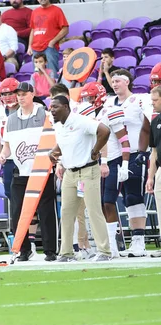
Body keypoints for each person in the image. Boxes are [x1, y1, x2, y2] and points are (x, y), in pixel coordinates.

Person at [49, 95, 112, 262]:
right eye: (51, 107)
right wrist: (53, 152)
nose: (52, 110)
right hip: (70, 173)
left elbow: (104, 130)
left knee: (93, 211)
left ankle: (104, 251)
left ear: (65, 106)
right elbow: (63, 144)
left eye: (55, 107)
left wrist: (95, 150)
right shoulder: (59, 126)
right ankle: (66, 252)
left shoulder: (81, 121)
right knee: (66, 213)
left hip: (87, 171)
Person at [0, 82, 57, 262]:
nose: (21, 97)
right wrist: (2, 155)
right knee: (18, 211)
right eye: (18, 94)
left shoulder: (45, 115)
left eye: (24, 94)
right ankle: (23, 249)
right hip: (21, 171)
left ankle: (50, 250)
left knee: (46, 211)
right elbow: (7, 146)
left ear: (32, 94)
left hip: (42, 171)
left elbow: (55, 139)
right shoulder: (11, 119)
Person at [77, 82, 130, 258]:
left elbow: (124, 140)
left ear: (99, 96)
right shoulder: (85, 113)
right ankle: (106, 244)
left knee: (109, 202)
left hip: (112, 161)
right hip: (94, 163)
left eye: (90, 97)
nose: (88, 101)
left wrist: (125, 164)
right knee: (98, 205)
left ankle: (113, 245)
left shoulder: (111, 111)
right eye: (85, 98)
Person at [108, 69, 149, 257]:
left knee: (134, 196)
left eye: (118, 81)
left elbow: (147, 126)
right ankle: (124, 241)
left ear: (127, 82)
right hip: (116, 156)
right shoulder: (109, 102)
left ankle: (139, 240)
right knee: (123, 198)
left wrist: (143, 151)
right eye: (112, 81)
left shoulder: (139, 100)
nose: (114, 84)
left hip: (134, 153)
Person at [0, 78, 21, 200]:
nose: (7, 97)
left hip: (26, 158)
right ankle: (16, 219)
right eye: (4, 94)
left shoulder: (29, 108)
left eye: (10, 93)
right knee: (10, 194)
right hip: (8, 159)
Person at [27, 0, 69, 78]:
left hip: (49, 48)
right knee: (38, 76)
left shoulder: (57, 10)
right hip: (35, 48)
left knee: (52, 75)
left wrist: (52, 42)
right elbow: (33, 30)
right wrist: (29, 46)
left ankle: (54, 90)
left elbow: (65, 29)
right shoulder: (35, 12)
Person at [145, 86, 161, 257]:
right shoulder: (155, 122)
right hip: (160, 170)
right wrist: (151, 176)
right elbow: (154, 152)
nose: (153, 104)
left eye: (155, 100)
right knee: (160, 208)